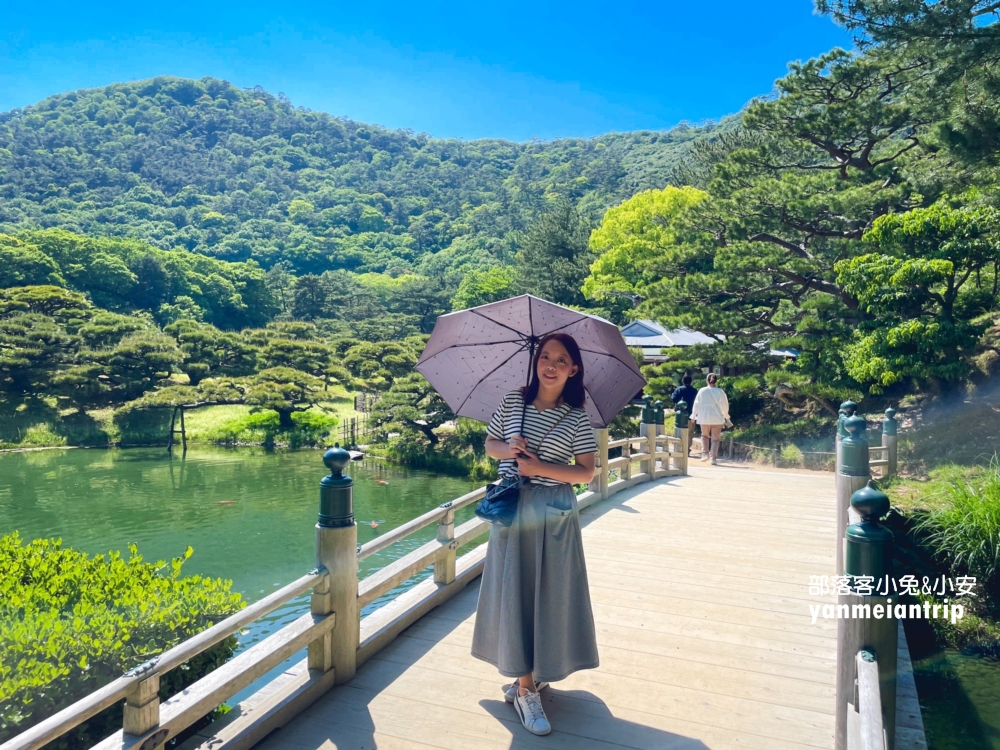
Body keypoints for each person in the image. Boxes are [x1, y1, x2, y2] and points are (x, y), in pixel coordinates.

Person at [473, 333, 600, 737]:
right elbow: (489, 445)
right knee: (515, 590)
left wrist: (539, 467)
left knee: (550, 592)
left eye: (561, 360)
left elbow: (585, 472)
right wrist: (509, 450)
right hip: (512, 509)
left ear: (573, 369)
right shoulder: (513, 402)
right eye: (545, 357)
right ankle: (526, 688)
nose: (550, 365)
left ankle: (535, 673)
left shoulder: (578, 417)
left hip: (554, 509)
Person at [690, 372, 730, 465]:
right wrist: (726, 416)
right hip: (717, 417)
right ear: (715, 381)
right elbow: (725, 405)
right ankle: (713, 458)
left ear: (706, 381)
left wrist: (693, 415)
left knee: (704, 436)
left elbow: (697, 404)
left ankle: (705, 454)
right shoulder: (720, 391)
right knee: (715, 439)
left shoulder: (702, 390)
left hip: (704, 417)